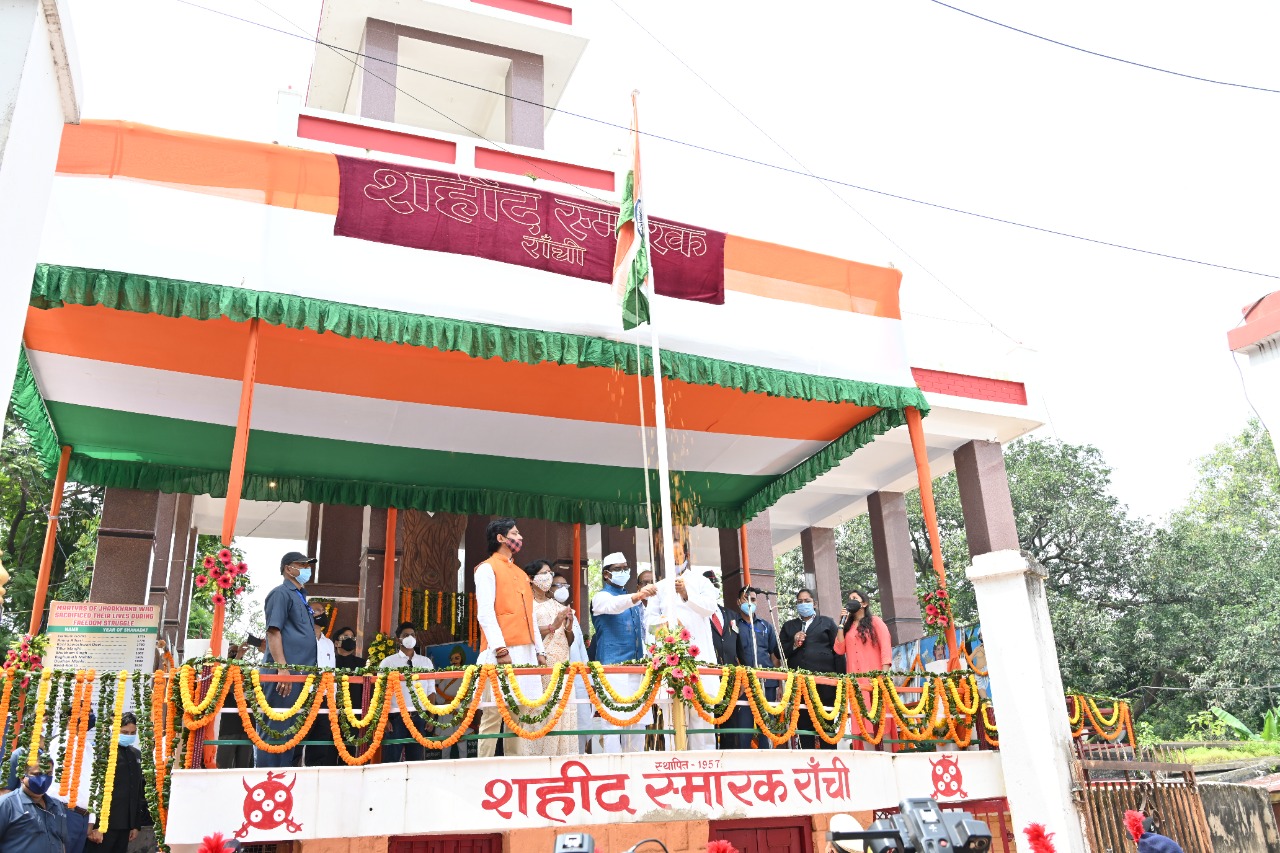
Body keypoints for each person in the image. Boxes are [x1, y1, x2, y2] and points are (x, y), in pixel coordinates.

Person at [474, 519, 547, 758]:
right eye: (515, 533)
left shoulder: (521, 573)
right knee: (494, 712)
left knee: (519, 714)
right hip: (499, 652)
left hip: (525, 651)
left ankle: (514, 767)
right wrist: (501, 650)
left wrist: (540, 651)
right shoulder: (486, 569)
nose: (520, 537)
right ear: (501, 538)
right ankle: (483, 769)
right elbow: (484, 614)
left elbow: (531, 615)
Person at [646, 541, 719, 750]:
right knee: (671, 716)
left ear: (687, 553)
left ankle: (704, 765)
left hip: (699, 657)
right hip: (670, 659)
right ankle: (675, 763)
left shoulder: (701, 582)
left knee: (701, 716)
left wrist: (687, 594)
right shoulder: (659, 586)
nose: (673, 557)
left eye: (677, 552)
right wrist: (665, 626)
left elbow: (710, 607)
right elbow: (648, 621)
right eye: (668, 553)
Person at [256, 552, 320, 768]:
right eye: (301, 565)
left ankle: (285, 781)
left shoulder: (301, 597)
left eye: (307, 565)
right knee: (276, 731)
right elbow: (274, 632)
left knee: (292, 732)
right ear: (287, 568)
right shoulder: (281, 593)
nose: (306, 569)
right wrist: (282, 669)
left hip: (300, 677)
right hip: (284, 676)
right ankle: (268, 781)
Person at [590, 552, 657, 753]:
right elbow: (615, 606)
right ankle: (613, 768)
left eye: (626, 568)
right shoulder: (601, 597)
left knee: (638, 722)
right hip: (612, 670)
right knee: (613, 722)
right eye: (618, 569)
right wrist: (638, 596)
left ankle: (635, 765)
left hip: (637, 670)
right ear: (606, 574)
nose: (624, 572)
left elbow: (646, 632)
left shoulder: (636, 603)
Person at [522, 560, 578, 756]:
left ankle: (562, 758)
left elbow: (568, 639)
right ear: (531, 578)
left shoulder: (556, 604)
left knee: (562, 711)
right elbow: (526, 635)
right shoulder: (526, 605)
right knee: (543, 710)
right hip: (541, 666)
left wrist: (568, 624)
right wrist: (553, 624)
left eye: (550, 573)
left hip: (561, 663)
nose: (549, 577)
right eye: (544, 573)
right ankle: (537, 759)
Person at [779, 588, 842, 749]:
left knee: (826, 726)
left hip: (825, 685)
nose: (803, 604)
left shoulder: (826, 622)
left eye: (807, 601)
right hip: (800, 686)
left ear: (815, 603)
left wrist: (841, 680)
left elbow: (838, 650)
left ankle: (830, 763)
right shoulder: (789, 626)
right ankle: (807, 760)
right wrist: (794, 643)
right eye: (799, 602)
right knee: (804, 726)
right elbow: (780, 653)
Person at [834, 589, 892, 750]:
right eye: (849, 598)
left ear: (864, 603)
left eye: (855, 598)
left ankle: (888, 756)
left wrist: (884, 674)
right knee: (862, 722)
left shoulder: (875, 621)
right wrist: (841, 623)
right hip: (857, 682)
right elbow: (839, 649)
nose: (850, 601)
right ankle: (869, 757)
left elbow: (886, 647)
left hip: (876, 679)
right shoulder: (848, 626)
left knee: (882, 719)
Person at [728, 586, 781, 749]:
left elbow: (775, 655)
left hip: (767, 685)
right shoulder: (732, 625)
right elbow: (731, 653)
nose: (749, 603)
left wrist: (777, 680)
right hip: (744, 686)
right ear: (738, 602)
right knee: (744, 730)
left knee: (767, 728)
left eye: (753, 599)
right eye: (746, 599)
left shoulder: (766, 626)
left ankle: (768, 763)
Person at [85, 714, 147, 853]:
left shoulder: (135, 754)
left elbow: (136, 791)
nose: (129, 735)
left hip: (126, 825)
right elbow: (95, 789)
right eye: (125, 732)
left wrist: (135, 825)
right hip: (104, 824)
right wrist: (95, 824)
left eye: (133, 733)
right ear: (115, 730)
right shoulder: (103, 752)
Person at [378, 622, 438, 763]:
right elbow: (380, 693)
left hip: (419, 717)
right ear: (398, 639)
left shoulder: (426, 662)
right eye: (406, 635)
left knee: (416, 761)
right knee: (390, 761)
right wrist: (384, 719)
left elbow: (431, 691)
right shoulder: (388, 663)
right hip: (395, 718)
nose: (409, 638)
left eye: (412, 635)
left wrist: (430, 716)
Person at [0, 753, 68, 853]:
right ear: (22, 777)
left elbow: (61, 841)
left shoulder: (57, 805)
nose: (44, 779)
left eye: (48, 774)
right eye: (38, 774)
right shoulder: (7, 804)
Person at [305, 614, 338, 767]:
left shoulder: (329, 643)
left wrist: (333, 698)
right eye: (317, 610)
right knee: (299, 735)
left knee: (321, 737)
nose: (322, 614)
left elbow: (332, 671)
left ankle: (315, 770)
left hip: (325, 696)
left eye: (324, 611)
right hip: (304, 695)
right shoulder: (301, 638)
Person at [215, 643, 254, 770]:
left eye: (236, 652)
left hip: (247, 730)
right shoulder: (222, 673)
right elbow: (228, 681)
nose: (235, 655)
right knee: (223, 767)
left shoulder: (249, 674)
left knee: (243, 769)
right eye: (231, 653)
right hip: (228, 729)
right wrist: (238, 656)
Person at [431, 646, 472, 759]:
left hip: (460, 712)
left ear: (462, 659)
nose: (454, 661)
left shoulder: (468, 677)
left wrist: (459, 706)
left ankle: (464, 766)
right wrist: (448, 703)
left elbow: (471, 696)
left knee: (462, 744)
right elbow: (438, 695)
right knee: (446, 744)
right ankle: (445, 768)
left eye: (457, 658)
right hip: (448, 712)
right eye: (452, 659)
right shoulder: (445, 676)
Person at [332, 626, 366, 710]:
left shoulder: (362, 663)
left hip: (355, 710)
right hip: (332, 708)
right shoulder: (330, 662)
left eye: (352, 638)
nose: (350, 639)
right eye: (346, 637)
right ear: (336, 643)